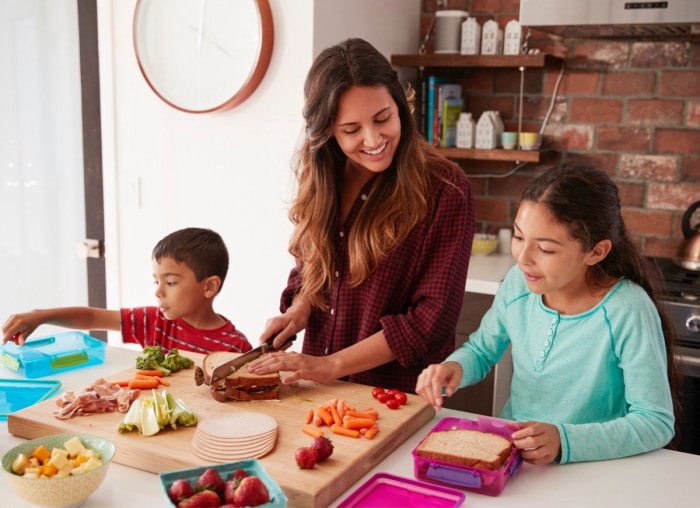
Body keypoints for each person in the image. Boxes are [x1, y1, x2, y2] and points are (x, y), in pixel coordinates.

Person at [248, 38, 475, 394]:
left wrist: (332, 365)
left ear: (399, 105)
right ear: (327, 132)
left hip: (394, 397)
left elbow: (431, 319)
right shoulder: (323, 176)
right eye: (351, 130)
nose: (373, 139)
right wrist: (298, 310)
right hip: (316, 390)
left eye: (383, 118)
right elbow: (312, 268)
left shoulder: (445, 188)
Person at [416, 163, 680, 465]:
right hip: (517, 460)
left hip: (595, 468)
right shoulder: (518, 283)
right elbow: (481, 349)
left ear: (596, 251)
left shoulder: (626, 310)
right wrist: (455, 368)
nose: (523, 258)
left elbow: (655, 422)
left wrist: (565, 441)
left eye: (545, 248)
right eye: (518, 237)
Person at [2, 227, 251, 355]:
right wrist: (41, 315)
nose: (158, 292)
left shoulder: (234, 347)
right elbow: (93, 317)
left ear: (209, 286)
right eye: (156, 282)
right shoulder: (154, 322)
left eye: (171, 283)